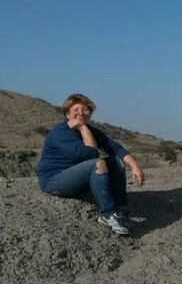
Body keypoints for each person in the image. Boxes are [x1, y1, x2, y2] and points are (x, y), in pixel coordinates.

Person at [37, 94, 145, 235]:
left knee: (115, 161)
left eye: (85, 109)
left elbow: (115, 148)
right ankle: (108, 214)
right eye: (76, 110)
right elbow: (90, 154)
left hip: (75, 178)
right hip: (53, 181)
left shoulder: (90, 130)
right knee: (97, 164)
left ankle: (119, 208)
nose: (81, 113)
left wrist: (135, 166)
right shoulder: (60, 132)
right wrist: (82, 128)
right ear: (67, 113)